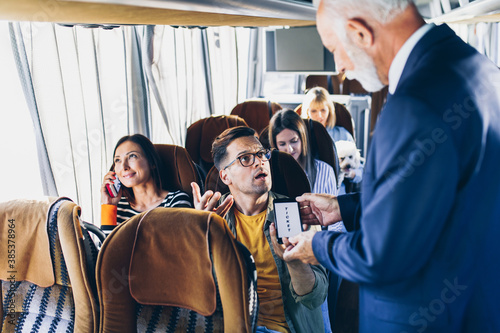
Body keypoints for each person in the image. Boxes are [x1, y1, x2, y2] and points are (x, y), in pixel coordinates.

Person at [283, 0, 500, 332]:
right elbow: (435, 196)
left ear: (360, 32)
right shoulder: (475, 65)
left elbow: (380, 258)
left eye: (335, 49)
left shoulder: (413, 104)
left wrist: (317, 245)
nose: (339, 66)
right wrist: (342, 207)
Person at [191, 126, 328, 333]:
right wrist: (198, 235)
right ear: (225, 176)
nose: (259, 161)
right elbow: (195, 296)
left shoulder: (298, 215)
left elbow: (315, 297)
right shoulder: (215, 223)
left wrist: (295, 262)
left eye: (261, 154)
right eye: (245, 158)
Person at [268, 109, 341, 332]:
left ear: (303, 139)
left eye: (294, 141)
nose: (289, 150)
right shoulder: (270, 174)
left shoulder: (324, 171)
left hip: (320, 243)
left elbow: (336, 224)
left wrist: (317, 242)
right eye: (281, 144)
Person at [101, 134, 192, 233]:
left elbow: (178, 245)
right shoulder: (118, 207)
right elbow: (106, 248)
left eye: (132, 156)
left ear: (151, 162)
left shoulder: (176, 201)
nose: (124, 167)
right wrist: (109, 206)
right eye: (117, 160)